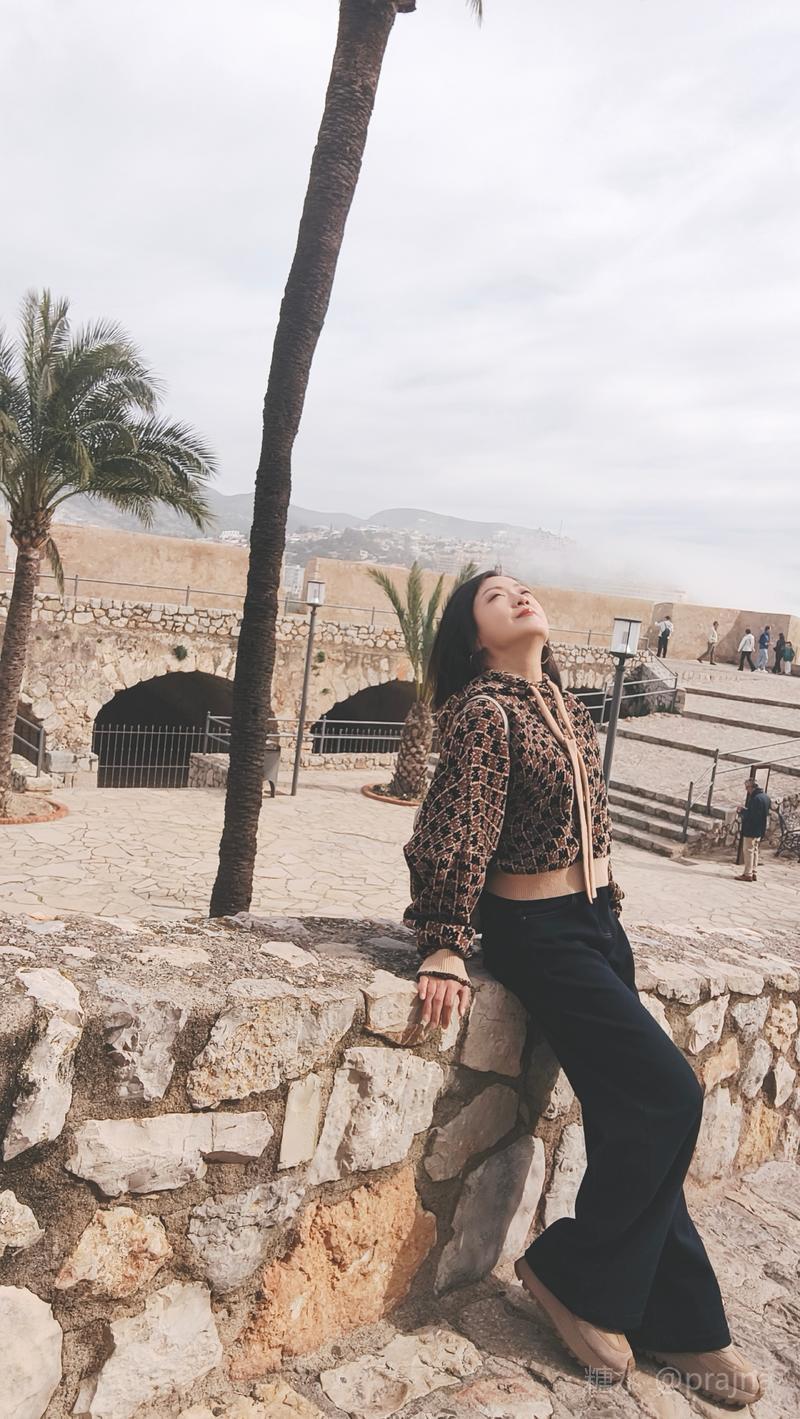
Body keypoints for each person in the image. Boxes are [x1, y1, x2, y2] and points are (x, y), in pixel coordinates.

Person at [402, 569, 761, 1406]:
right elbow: (453, 828)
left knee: (636, 1117)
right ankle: (571, 1274)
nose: (519, 596)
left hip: (597, 925)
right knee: (670, 1095)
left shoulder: (563, 704)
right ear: (475, 638)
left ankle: (680, 1318)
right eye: (496, 596)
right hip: (540, 935)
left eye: (522, 587)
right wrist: (444, 940)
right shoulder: (486, 712)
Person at [735, 776, 771, 882]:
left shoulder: (755, 799)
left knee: (748, 851)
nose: (747, 790)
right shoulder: (765, 797)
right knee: (755, 850)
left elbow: (752, 815)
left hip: (751, 829)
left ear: (752, 787)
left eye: (747, 788)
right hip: (760, 828)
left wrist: (742, 811)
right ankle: (754, 871)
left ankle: (748, 874)